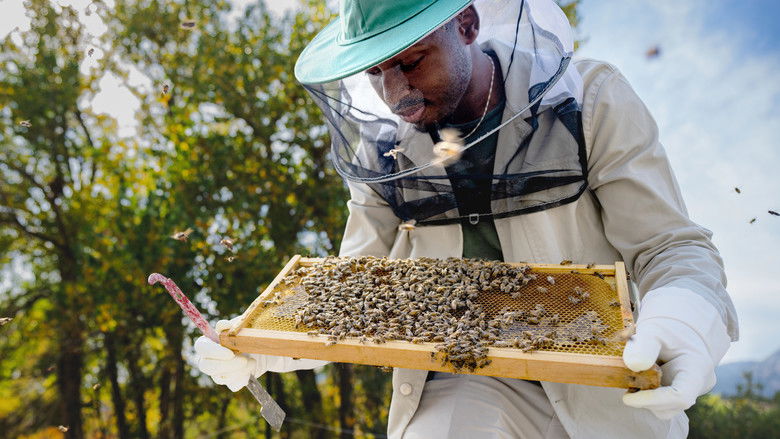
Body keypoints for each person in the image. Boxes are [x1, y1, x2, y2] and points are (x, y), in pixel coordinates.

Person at [194, 0, 739, 437]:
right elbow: (353, 285)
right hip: (465, 383)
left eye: (410, 61)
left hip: (603, 392)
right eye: (377, 70)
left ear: (468, 24)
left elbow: (669, 245)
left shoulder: (590, 99)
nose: (395, 93)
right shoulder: (381, 153)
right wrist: (263, 344)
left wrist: (686, 316)